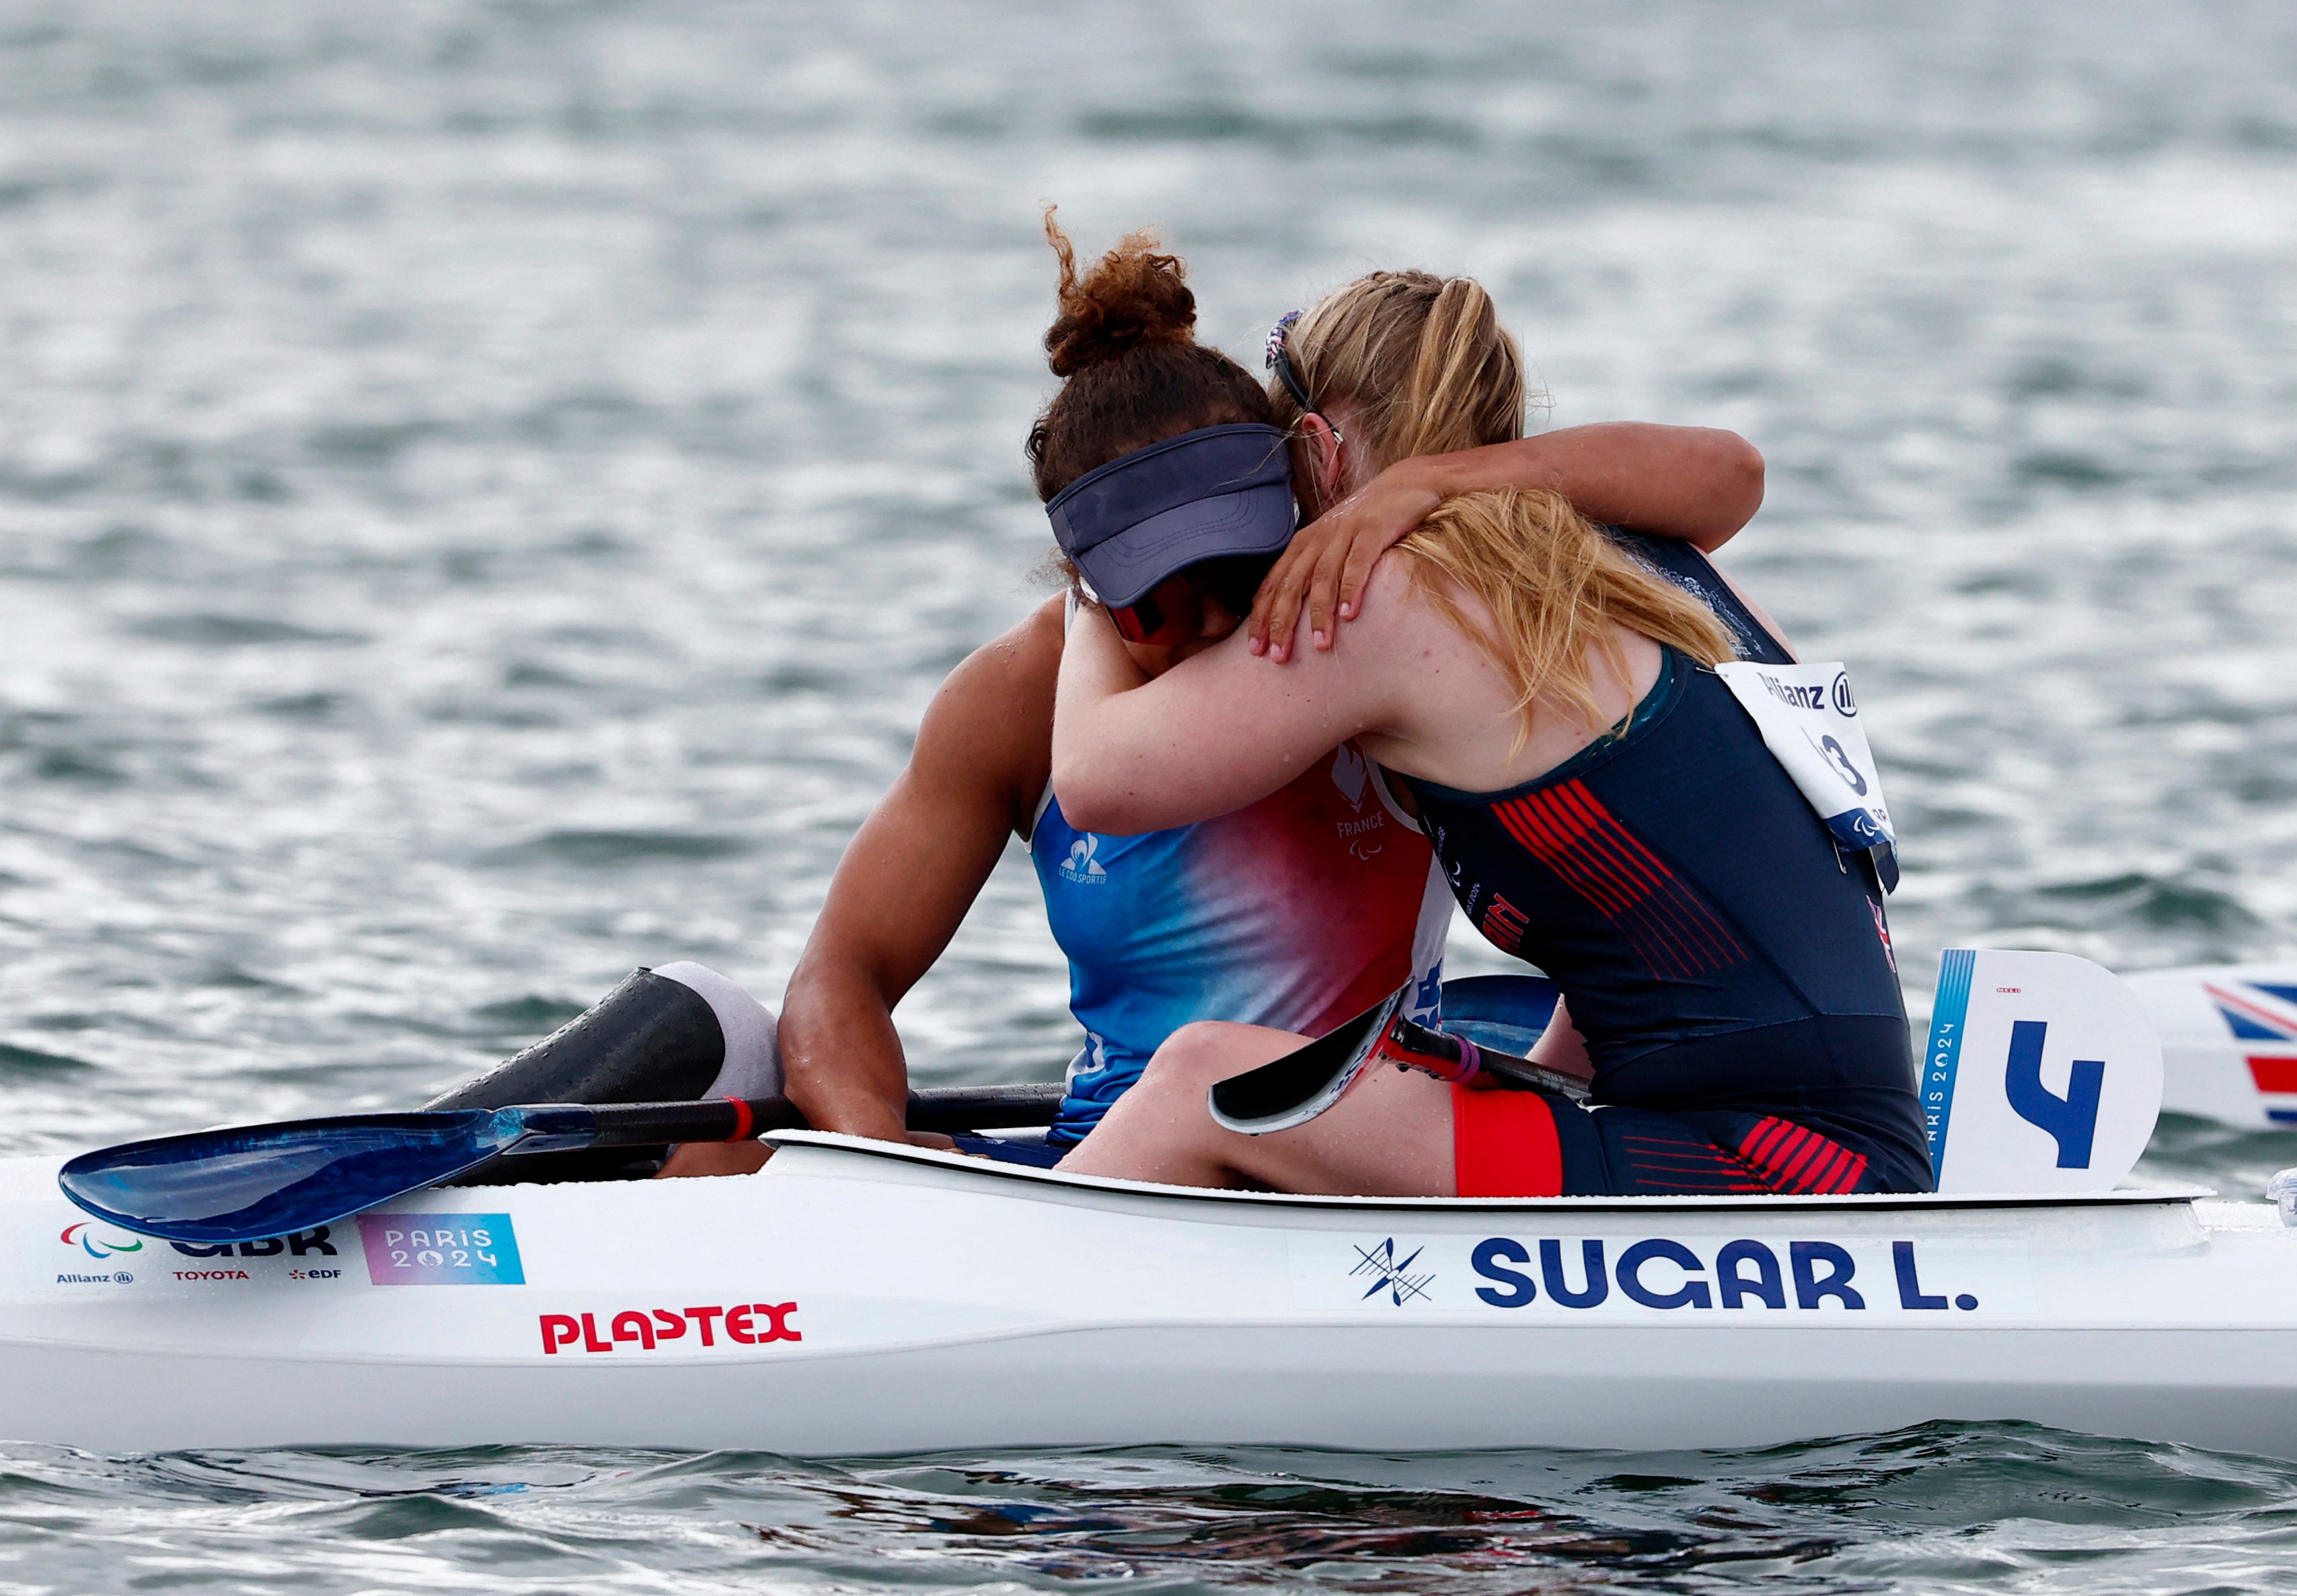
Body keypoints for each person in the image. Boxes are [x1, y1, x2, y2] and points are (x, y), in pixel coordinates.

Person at [659, 224, 1768, 1176]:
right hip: (1105, 1166)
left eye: (1236, 581)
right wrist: (886, 1162)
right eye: (1150, 602)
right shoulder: (1010, 699)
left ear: (1295, 509)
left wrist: (1441, 483)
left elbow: (1721, 481)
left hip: (1337, 1159)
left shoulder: (1366, 629)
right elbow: (844, 976)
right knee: (700, 1037)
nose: (1200, 629)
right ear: (1082, 580)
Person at [1051, 268, 1929, 1199]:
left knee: (1204, 1081)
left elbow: (1099, 779)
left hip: (1770, 1172)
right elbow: (1673, 931)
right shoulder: (1652, 562)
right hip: (1843, 1144)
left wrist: (1092, 577)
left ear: (1314, 446)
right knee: (1376, 1077)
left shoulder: (1391, 594)